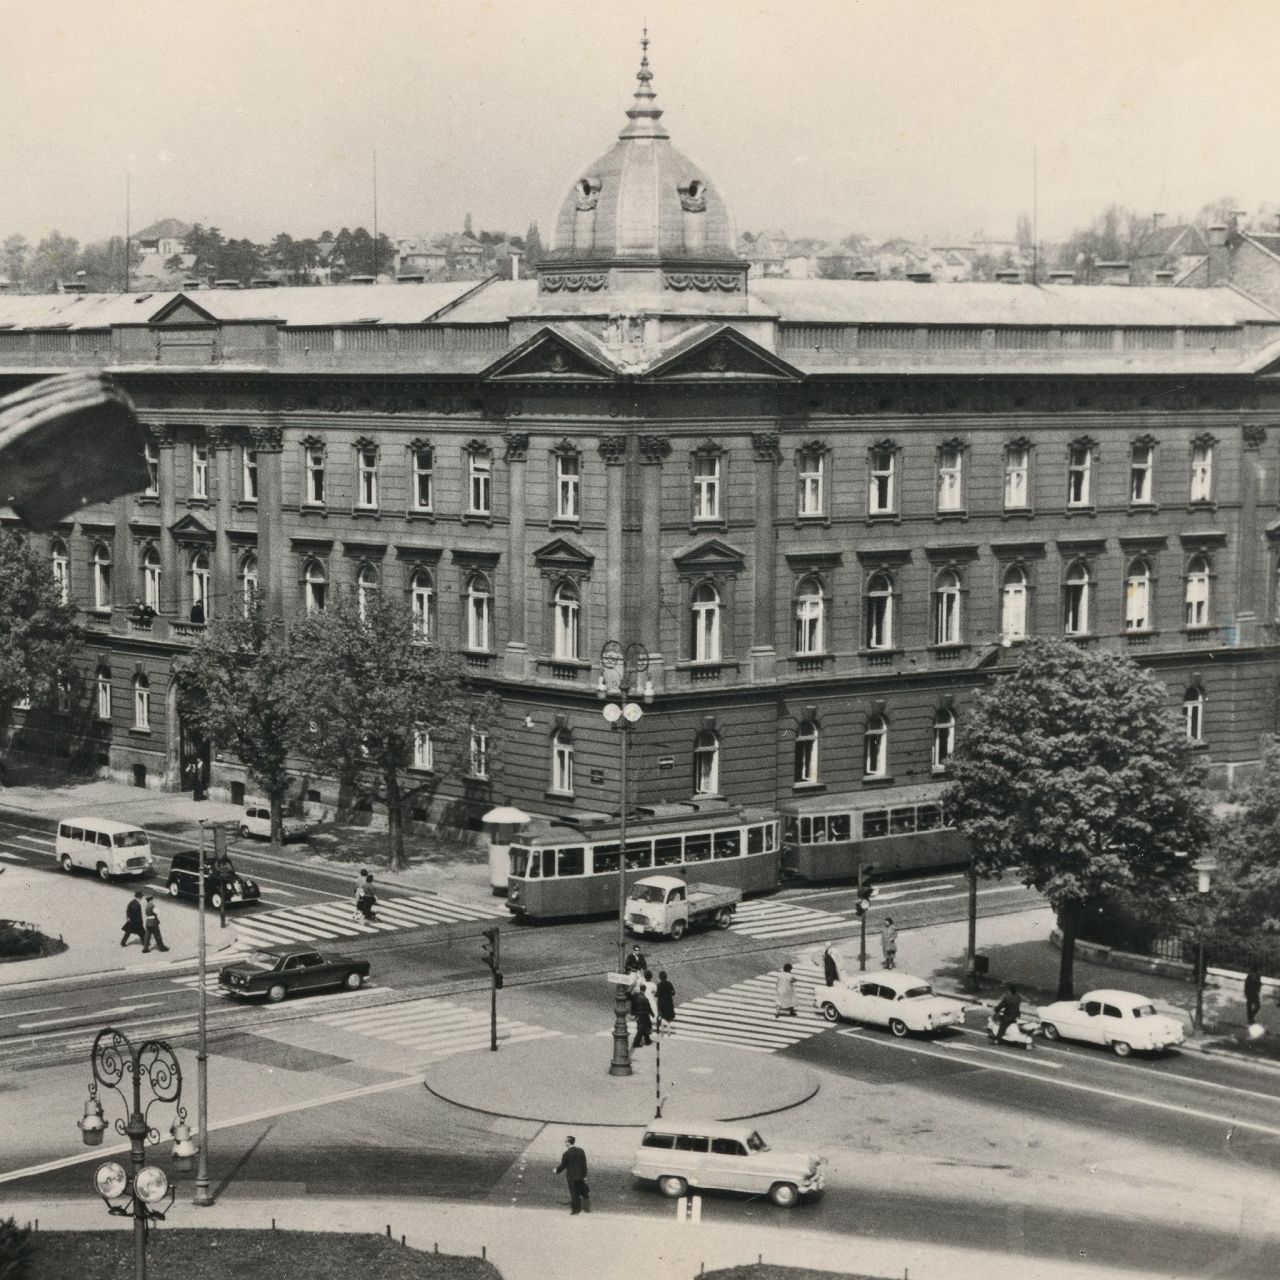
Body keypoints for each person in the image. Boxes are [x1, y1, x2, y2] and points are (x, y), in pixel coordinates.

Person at [554, 1136, 590, 1215]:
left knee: (573, 1193)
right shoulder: (581, 1151)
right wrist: (585, 1175)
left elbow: (562, 1166)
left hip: (571, 1177)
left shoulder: (566, 1154)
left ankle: (575, 1210)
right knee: (580, 1191)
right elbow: (584, 1164)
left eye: (565, 1141)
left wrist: (556, 1170)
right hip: (580, 1176)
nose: (564, 1142)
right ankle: (584, 1207)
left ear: (568, 1142)